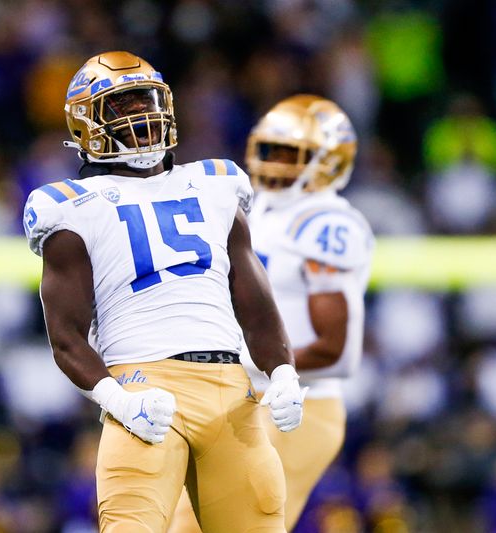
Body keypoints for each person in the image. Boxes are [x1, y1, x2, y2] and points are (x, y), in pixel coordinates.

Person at [23, 51, 305, 533]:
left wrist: (282, 371)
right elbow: (65, 336)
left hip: (231, 392)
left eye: (146, 101)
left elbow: (254, 300)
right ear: (86, 123)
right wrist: (117, 399)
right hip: (144, 390)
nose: (142, 116)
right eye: (123, 106)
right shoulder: (69, 207)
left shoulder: (214, 184)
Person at [169, 95, 374, 532]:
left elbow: (337, 354)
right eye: (270, 150)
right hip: (243, 399)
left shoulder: (326, 225)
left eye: (291, 154)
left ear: (330, 162)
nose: (275, 164)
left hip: (300, 406)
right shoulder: (254, 208)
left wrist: (247, 365)